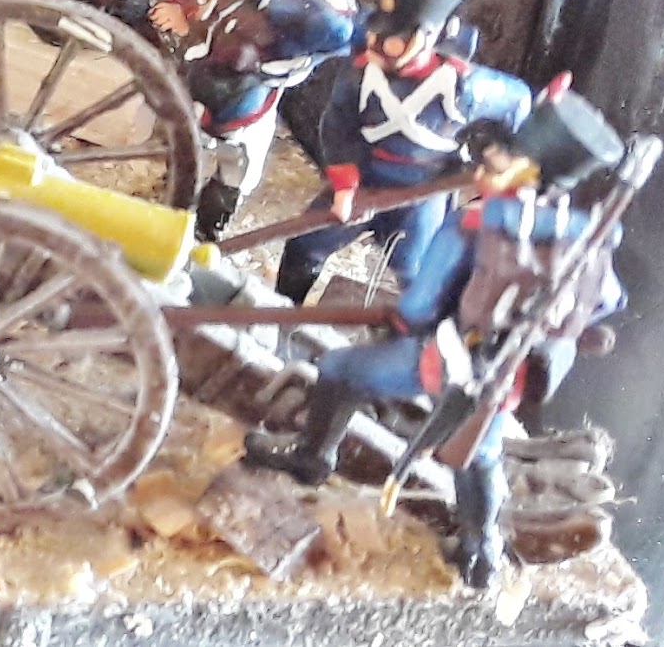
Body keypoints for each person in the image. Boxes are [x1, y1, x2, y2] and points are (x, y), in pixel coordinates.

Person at [243, 85, 630, 589]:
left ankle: (311, 458)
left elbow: (419, 305)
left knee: (341, 370)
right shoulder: (582, 237)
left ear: (526, 171)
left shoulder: (474, 223)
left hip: (448, 358)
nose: (487, 160)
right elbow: (609, 301)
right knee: (480, 457)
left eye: (503, 156)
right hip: (507, 376)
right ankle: (481, 550)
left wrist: (404, 321)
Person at [275, 0, 532, 302]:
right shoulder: (359, 74)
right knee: (305, 246)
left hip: (423, 193)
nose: (378, 46)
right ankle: (280, 311)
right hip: (366, 179)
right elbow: (338, 126)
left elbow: (519, 102)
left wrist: (502, 157)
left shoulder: (469, 89)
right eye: (375, 35)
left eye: (393, 41)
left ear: (428, 38)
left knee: (415, 272)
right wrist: (345, 186)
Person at [157, 0, 393, 239]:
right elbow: (364, 32)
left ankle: (175, 184)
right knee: (240, 169)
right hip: (245, 101)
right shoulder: (330, 21)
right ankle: (205, 226)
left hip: (194, 72)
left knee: (188, 140)